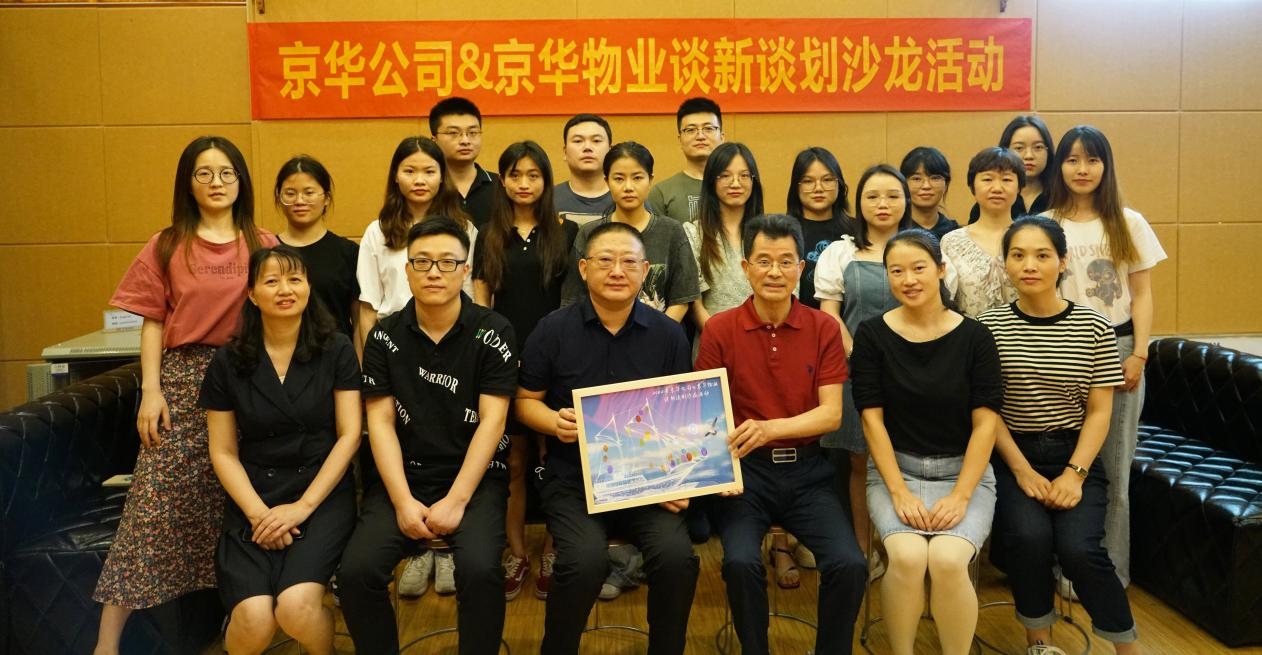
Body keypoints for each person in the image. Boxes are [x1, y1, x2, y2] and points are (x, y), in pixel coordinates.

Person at [93, 136, 277, 655]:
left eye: (227, 173)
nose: (217, 183)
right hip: (181, 382)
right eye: (204, 173)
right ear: (187, 183)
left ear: (241, 181)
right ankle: (106, 644)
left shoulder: (263, 241)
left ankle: (242, 627)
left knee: (236, 506)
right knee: (150, 510)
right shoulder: (167, 244)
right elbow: (153, 321)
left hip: (248, 379)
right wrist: (151, 390)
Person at [517, 221, 700, 655]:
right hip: (574, 480)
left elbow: (685, 414)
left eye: (629, 262)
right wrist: (553, 422)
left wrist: (682, 481)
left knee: (677, 558)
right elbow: (524, 401)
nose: (617, 271)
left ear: (645, 271)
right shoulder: (552, 329)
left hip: (648, 482)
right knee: (582, 562)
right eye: (605, 260)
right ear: (583, 268)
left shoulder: (668, 334)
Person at [338, 217, 518, 655]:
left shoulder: (494, 331)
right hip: (403, 478)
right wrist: (402, 502)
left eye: (446, 262)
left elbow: (493, 422)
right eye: (422, 262)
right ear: (407, 270)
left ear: (465, 269)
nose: (434, 272)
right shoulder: (384, 336)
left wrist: (456, 500)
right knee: (356, 573)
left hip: (474, 480)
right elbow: (380, 423)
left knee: (480, 570)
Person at [699, 213, 867, 655]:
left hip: (808, 473)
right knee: (739, 562)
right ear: (745, 267)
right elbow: (705, 413)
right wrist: (724, 461)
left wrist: (769, 428)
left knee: (849, 563)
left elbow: (831, 416)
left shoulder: (823, 327)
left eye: (786, 261)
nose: (774, 272)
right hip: (745, 474)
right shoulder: (719, 328)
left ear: (800, 268)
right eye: (764, 261)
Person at [978, 216, 1141, 655]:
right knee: (1028, 541)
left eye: (1042, 255)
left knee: (1080, 551)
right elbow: (988, 411)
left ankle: (1126, 647)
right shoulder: (987, 328)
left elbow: (1100, 411)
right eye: (1018, 255)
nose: (1029, 265)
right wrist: (1021, 470)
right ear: (1005, 263)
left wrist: (1075, 473)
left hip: (1076, 454)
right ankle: (1040, 643)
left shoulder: (1094, 325)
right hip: (1012, 455)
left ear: (1063, 262)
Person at [200, 246, 361, 655]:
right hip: (254, 497)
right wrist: (260, 515)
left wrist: (302, 507)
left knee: (295, 608)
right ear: (252, 295)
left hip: (321, 493)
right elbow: (223, 451)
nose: (285, 290)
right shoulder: (228, 360)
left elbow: (349, 435)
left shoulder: (337, 348)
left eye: (294, 279)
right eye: (271, 281)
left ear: (308, 286)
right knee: (254, 619)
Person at [850, 230, 1003, 655]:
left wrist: (961, 495)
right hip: (896, 472)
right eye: (896, 271)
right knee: (908, 557)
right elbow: (872, 421)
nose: (908, 279)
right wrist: (899, 492)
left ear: (940, 269)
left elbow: (986, 424)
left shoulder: (976, 337)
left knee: (948, 561)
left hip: (964, 474)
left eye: (919, 268)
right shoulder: (871, 335)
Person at [1044, 125, 1166, 589]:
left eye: (1092, 160)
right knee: (1066, 462)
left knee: (1114, 466)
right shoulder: (1047, 222)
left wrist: (1140, 353)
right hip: (1063, 349)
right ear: (1059, 166)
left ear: (1105, 166)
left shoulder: (1128, 222)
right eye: (1072, 159)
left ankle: (1110, 572)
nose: (1082, 169)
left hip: (1119, 348)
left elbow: (1142, 294)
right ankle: (1065, 568)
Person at [472, 141, 579, 602]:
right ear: (502, 180)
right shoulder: (488, 233)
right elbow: (481, 299)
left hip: (557, 359)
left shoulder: (567, 232)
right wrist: (496, 351)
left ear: (546, 181)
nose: (524, 183)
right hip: (507, 357)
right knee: (513, 461)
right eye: (515, 175)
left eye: (533, 175)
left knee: (557, 458)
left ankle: (554, 550)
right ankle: (516, 553)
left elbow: (571, 300)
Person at [813, 164, 912, 572]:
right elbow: (829, 314)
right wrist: (861, 355)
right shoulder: (841, 252)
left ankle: (905, 550)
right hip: (856, 370)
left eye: (892, 195)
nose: (882, 204)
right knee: (859, 462)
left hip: (914, 373)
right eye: (872, 196)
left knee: (908, 460)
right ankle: (862, 548)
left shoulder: (925, 249)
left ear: (906, 201)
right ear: (858, 202)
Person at [356, 135, 475, 357]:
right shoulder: (378, 231)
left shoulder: (463, 229)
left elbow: (470, 294)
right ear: (395, 176)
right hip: (392, 342)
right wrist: (370, 364)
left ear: (442, 176)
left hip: (452, 340)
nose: (419, 180)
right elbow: (368, 307)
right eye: (409, 171)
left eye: (429, 172)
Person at [561, 142, 700, 322]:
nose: (628, 187)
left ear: (650, 180)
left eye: (637, 178)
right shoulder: (590, 233)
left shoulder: (672, 231)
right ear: (607, 181)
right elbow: (573, 297)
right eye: (619, 178)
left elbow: (682, 299)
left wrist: (659, 333)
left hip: (660, 333)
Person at [273, 156, 360, 337]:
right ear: (279, 198)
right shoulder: (268, 249)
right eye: (290, 193)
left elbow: (359, 319)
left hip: (337, 352)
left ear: (326, 198)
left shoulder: (348, 252)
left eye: (309, 193)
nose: (299, 201)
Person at [684, 141, 762, 333]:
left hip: (765, 340)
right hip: (713, 339)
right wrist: (720, 339)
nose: (735, 183)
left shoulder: (767, 234)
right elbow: (695, 303)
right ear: (712, 181)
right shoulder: (693, 233)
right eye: (725, 176)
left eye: (744, 175)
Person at [941, 147, 1025, 317]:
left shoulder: (1033, 238)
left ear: (1019, 187)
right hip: (968, 332)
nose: (997, 188)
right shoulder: (951, 242)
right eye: (987, 179)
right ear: (972, 186)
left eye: (1007, 179)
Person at [786, 146, 853, 312]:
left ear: (839, 184)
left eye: (827, 180)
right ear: (796, 187)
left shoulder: (858, 231)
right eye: (808, 181)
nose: (818, 188)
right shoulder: (784, 231)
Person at [647, 97, 725, 223]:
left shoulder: (737, 187)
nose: (700, 136)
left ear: (722, 137)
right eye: (691, 130)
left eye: (708, 128)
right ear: (680, 140)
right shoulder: (662, 193)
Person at [968, 115, 1056, 224]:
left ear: (1048, 151)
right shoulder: (992, 199)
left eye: (1038, 147)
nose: (1029, 155)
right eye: (1019, 148)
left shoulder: (1060, 198)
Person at [428, 97, 499, 228]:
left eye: (472, 132)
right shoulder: (427, 187)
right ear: (434, 140)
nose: (465, 140)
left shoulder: (501, 186)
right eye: (453, 133)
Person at [553, 113, 614, 225]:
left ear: (610, 151)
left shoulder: (628, 198)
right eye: (578, 141)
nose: (587, 147)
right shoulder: (547, 200)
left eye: (596, 141)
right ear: (565, 152)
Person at [900, 146, 960, 240]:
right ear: (903, 183)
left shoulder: (955, 235)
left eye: (935, 178)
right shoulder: (893, 230)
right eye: (917, 179)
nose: (926, 186)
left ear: (946, 183)